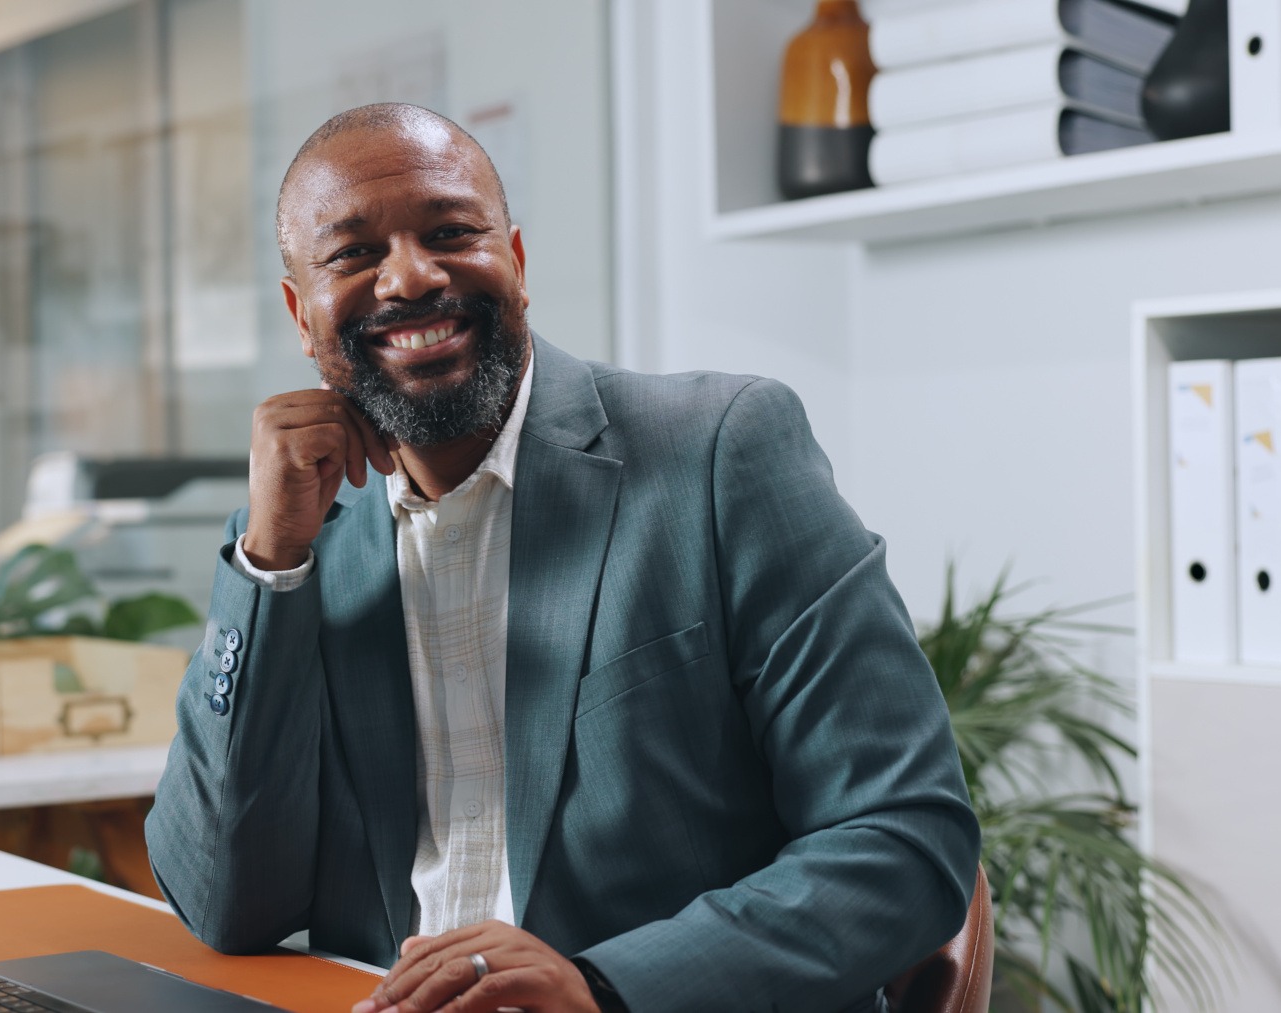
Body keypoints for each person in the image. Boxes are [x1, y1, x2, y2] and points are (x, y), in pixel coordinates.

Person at [145, 103, 980, 1013]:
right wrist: (267, 565)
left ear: (518, 263)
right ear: (302, 315)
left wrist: (603, 987)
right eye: (353, 254)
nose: (412, 276)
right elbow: (223, 899)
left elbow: (906, 838)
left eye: (450, 231)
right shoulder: (306, 535)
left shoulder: (721, 452)